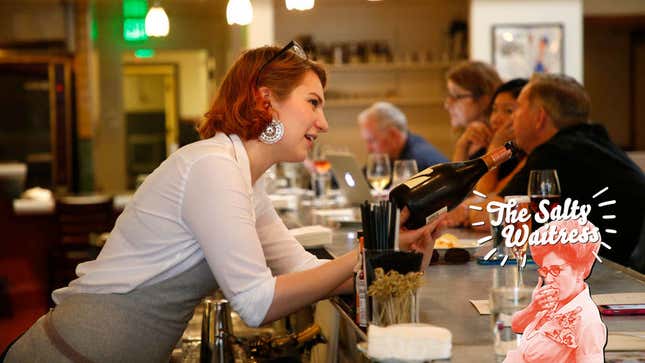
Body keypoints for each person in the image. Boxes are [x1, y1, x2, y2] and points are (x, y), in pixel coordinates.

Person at [2, 42, 443, 362]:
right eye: (313, 103)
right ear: (265, 98)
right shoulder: (213, 167)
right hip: (69, 354)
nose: (323, 123)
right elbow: (256, 303)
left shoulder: (243, 181)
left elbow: (309, 273)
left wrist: (397, 255)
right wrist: (363, 256)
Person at [445, 73, 645, 268]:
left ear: (539, 117)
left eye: (517, 109)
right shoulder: (589, 141)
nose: (512, 119)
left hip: (619, 276)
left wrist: (462, 212)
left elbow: (496, 216)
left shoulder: (556, 152)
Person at [504, 219, 607, 363]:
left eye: (556, 270)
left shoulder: (588, 322)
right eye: (545, 271)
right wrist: (533, 308)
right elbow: (516, 326)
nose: (549, 279)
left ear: (581, 269)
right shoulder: (550, 300)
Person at [357, 101, 448, 171]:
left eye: (372, 141)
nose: (368, 149)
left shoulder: (416, 162)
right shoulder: (389, 156)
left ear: (393, 135)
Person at [474, 78, 528, 194]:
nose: (495, 119)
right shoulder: (510, 152)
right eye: (494, 110)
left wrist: (495, 149)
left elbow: (482, 197)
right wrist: (462, 146)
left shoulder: (531, 155)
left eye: (508, 111)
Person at [444, 61, 502, 161]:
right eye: (449, 95)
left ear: (485, 100)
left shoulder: (497, 144)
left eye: (457, 96)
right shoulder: (468, 139)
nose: (447, 104)